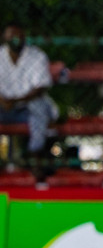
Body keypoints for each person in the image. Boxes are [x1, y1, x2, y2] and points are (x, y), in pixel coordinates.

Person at [0, 24, 59, 157]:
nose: (15, 39)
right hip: (3, 107)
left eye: (18, 35)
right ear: (4, 37)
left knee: (40, 108)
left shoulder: (37, 56)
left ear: (24, 37)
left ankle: (35, 156)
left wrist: (15, 101)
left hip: (28, 107)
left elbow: (40, 88)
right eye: (11, 35)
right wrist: (3, 101)